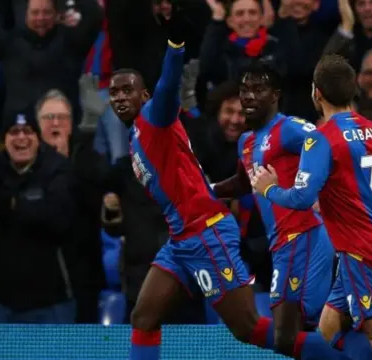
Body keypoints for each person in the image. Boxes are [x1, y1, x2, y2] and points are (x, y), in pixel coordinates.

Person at [108, 10, 275, 360]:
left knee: (249, 330)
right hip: (183, 239)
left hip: (207, 234)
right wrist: (218, 189)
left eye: (128, 90)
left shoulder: (154, 116)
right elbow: (188, 183)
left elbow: (169, 87)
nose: (120, 97)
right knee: (143, 317)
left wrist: (175, 47)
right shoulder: (137, 135)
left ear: (144, 96)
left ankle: (333, 353)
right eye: (114, 92)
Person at [251, 54, 372, 360]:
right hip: (370, 243)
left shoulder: (321, 140)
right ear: (353, 90)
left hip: (363, 252)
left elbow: (302, 199)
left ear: (315, 93)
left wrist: (269, 188)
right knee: (329, 329)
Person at [212, 61, 371, 360]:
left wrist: (323, 191)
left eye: (258, 90)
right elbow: (245, 183)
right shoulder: (247, 141)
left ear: (275, 95)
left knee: (289, 334)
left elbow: (329, 143)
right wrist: (207, 189)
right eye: (244, 89)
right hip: (283, 243)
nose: (248, 96)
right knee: (297, 333)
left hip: (305, 235)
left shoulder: (289, 129)